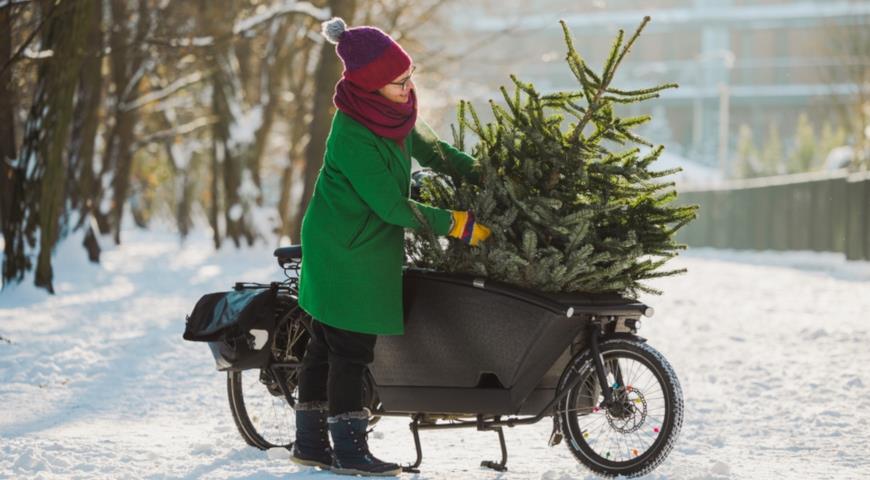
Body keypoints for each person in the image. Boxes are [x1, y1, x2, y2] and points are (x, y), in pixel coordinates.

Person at [291, 17, 492, 477]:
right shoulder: (351, 134)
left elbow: (435, 152)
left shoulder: (394, 113)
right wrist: (456, 224)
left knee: (323, 344)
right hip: (344, 247)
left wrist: (483, 174)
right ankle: (348, 449)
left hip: (356, 242)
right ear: (370, 85)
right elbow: (390, 206)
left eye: (409, 78)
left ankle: (309, 443)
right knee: (348, 350)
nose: (407, 88)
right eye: (398, 82)